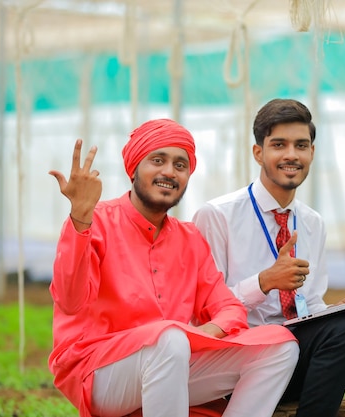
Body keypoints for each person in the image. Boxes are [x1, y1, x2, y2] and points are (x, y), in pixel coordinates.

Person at [192, 99, 345, 417]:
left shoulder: (311, 222)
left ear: (312, 154)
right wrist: (263, 282)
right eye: (279, 144)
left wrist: (337, 310)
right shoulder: (216, 216)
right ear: (258, 153)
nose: (291, 154)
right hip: (246, 361)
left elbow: (309, 304)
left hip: (306, 355)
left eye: (301, 145)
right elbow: (205, 314)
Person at [47, 118, 299, 417]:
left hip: (172, 360)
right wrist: (80, 216)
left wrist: (206, 331)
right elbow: (70, 301)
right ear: (134, 168)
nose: (169, 171)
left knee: (279, 346)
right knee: (168, 340)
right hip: (98, 371)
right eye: (158, 160)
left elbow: (228, 306)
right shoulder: (96, 221)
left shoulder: (189, 237)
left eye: (180, 165)